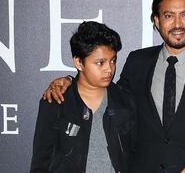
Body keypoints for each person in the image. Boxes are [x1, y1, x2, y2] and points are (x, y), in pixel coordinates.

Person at [43, 0, 185, 173]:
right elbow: (110, 97)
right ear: (157, 21)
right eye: (169, 16)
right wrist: (70, 80)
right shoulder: (137, 61)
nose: (177, 24)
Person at [30, 21, 136, 173]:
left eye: (113, 61)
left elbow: (136, 157)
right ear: (79, 62)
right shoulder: (56, 101)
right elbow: (41, 162)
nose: (109, 69)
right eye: (100, 63)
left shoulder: (125, 101)